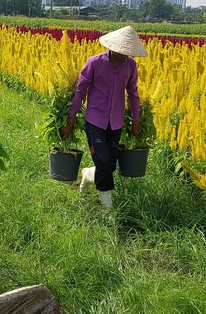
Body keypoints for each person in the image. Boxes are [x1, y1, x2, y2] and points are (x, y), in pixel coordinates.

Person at [59, 26, 147, 209]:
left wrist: (136, 121)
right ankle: (108, 210)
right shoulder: (95, 63)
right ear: (112, 47)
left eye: (127, 52)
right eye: (121, 51)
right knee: (104, 163)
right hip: (95, 121)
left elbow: (133, 93)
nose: (124, 55)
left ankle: (87, 174)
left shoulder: (130, 65)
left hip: (116, 122)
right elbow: (80, 91)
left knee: (110, 165)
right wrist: (70, 120)